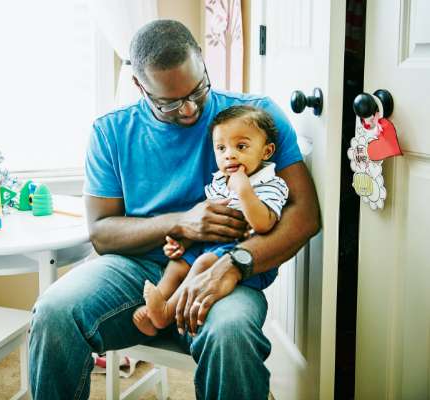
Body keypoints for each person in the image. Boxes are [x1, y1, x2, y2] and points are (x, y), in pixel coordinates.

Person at [28, 19, 320, 400]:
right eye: (169, 102)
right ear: (139, 86)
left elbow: (305, 214)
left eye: (198, 91)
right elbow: (101, 231)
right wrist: (182, 222)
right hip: (137, 271)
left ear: (202, 60)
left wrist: (235, 265)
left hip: (223, 268)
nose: (189, 111)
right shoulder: (111, 132)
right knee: (54, 312)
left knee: (231, 334)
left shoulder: (255, 118)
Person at [133, 105, 289, 336]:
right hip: (211, 244)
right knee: (178, 264)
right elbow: (206, 224)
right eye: (221, 148)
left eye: (241, 146)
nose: (230, 154)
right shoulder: (219, 181)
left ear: (266, 151)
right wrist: (182, 243)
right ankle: (155, 308)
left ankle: (166, 313)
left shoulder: (270, 184)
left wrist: (244, 190)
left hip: (245, 256)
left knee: (204, 262)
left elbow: (263, 224)